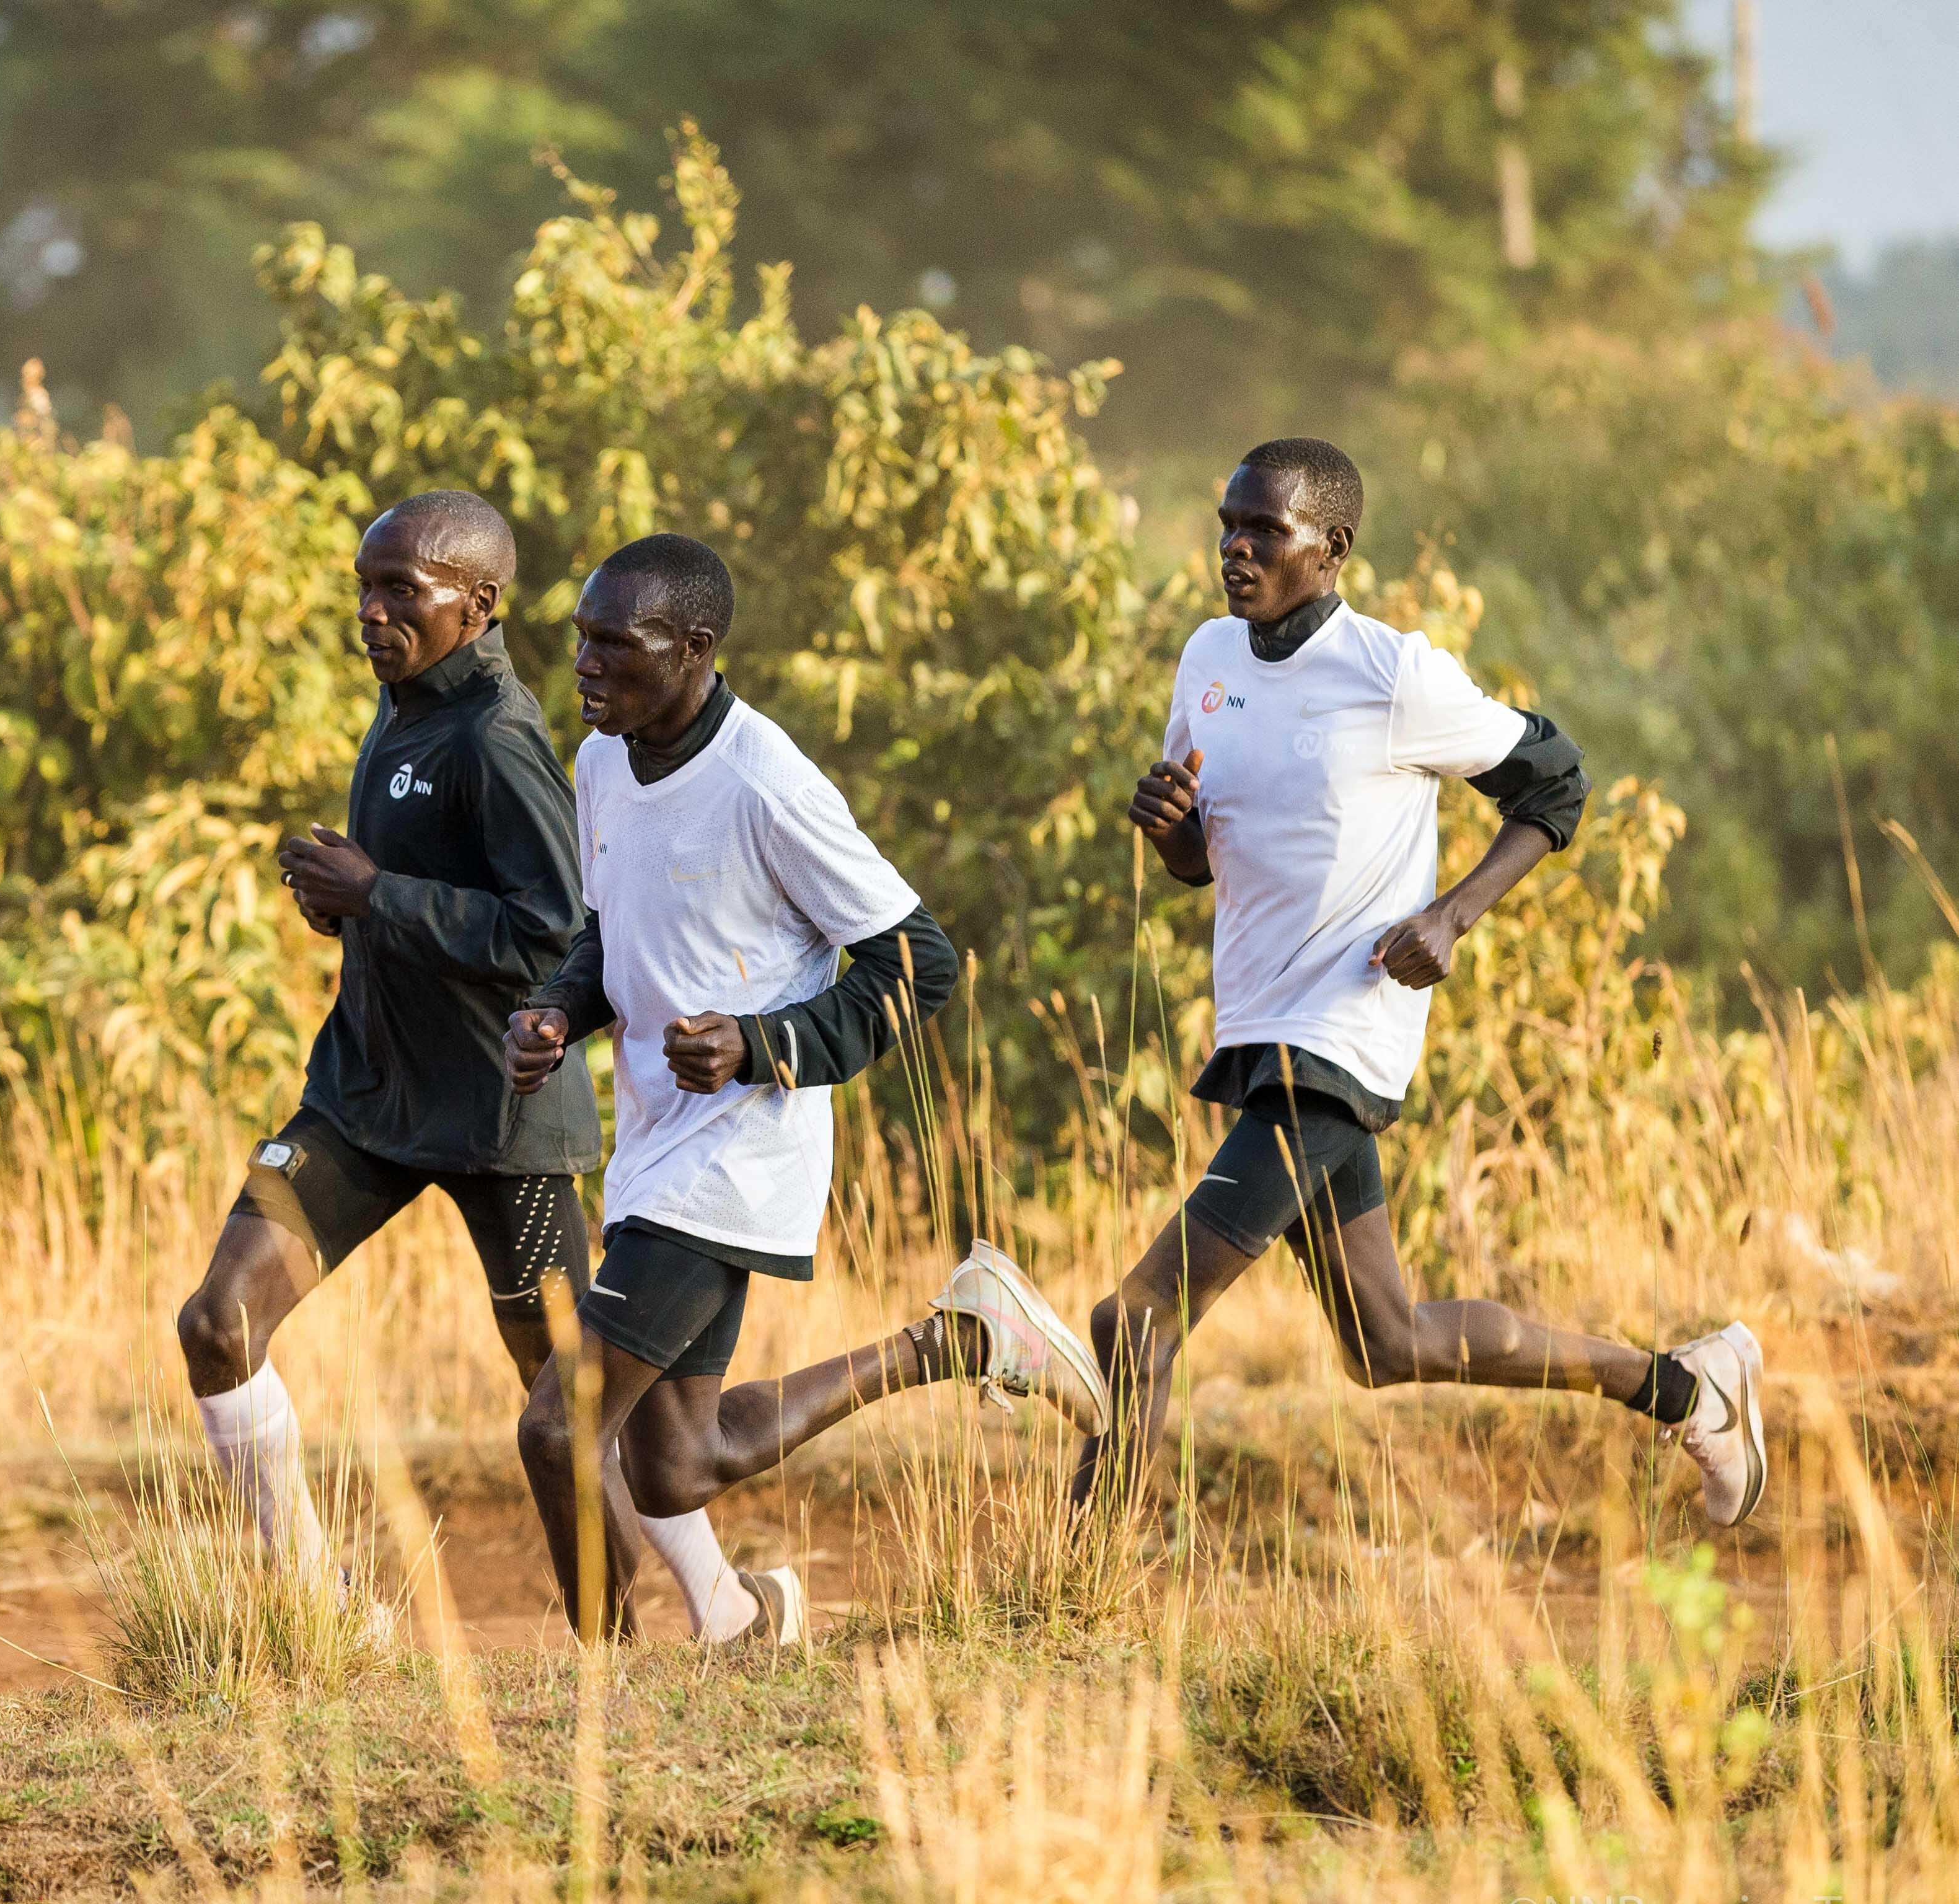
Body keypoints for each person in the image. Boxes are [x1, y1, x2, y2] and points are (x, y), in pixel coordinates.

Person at [1088, 436, 1766, 1523]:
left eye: (1264, 531)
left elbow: (1556, 783)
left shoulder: (1391, 674)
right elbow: (1199, 861)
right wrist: (1171, 831)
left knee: (1138, 1319)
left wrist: (1451, 915)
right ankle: (1690, 1388)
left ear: (1332, 547)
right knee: (1386, 1343)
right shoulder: (1209, 657)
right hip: (1259, 1029)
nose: (1236, 549)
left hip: (1340, 1035)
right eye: (1228, 527)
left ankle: (1081, 1581)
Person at [506, 533, 1109, 1644]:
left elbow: (918, 961)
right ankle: (949, 1348)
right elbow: (608, 933)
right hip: (652, 1144)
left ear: (695, 648)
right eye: (580, 638)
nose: (583, 664)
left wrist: (762, 1044)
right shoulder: (601, 763)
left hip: (739, 1151)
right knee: (679, 1464)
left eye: (614, 644)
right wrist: (555, 1010)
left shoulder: (765, 784)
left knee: (559, 1428)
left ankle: (600, 1696)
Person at [174, 490, 746, 1639]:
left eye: (403, 591)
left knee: (570, 1413)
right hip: (365, 1102)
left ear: (479, 604)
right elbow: (431, 902)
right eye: (364, 588)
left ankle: (706, 1616)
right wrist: (350, 907)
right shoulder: (402, 707)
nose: (372, 612)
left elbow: (553, 934)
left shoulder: (498, 736)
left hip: (502, 1126)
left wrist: (381, 895)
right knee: (218, 1324)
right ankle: (322, 1607)